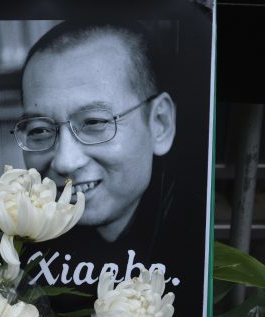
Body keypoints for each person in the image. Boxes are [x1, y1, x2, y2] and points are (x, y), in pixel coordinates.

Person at [14, 21, 176, 243]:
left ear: (160, 123)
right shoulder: (23, 247)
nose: (65, 162)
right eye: (40, 130)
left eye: (93, 122)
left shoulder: (200, 248)